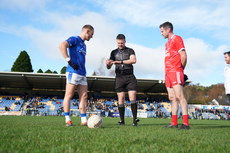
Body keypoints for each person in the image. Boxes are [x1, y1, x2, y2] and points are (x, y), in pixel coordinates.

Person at [59, 24, 94, 126]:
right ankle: (67, 119)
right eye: (92, 34)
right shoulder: (74, 39)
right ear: (87, 31)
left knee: (84, 96)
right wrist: (68, 60)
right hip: (72, 72)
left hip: (82, 73)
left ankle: (84, 120)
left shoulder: (84, 45)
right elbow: (62, 45)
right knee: (69, 95)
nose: (92, 37)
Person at [159, 21, 190, 130]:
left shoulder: (177, 38)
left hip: (176, 71)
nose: (161, 33)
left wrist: (181, 70)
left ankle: (185, 123)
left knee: (179, 97)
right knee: (172, 98)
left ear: (168, 30)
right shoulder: (166, 44)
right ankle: (174, 122)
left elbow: (183, 56)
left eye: (162, 31)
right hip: (168, 73)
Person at [106, 34, 139, 126]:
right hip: (119, 77)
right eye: (118, 43)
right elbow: (109, 67)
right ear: (116, 42)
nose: (120, 44)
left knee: (132, 96)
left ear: (125, 41)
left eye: (122, 43)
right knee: (121, 98)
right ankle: (122, 121)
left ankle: (134, 120)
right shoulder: (113, 52)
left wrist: (120, 62)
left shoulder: (130, 50)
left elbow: (133, 60)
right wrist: (108, 64)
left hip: (130, 76)